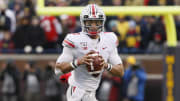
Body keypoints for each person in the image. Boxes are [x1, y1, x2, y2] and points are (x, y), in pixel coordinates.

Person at [55, 4, 124, 101]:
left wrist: (105, 65)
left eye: (97, 22)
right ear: (83, 22)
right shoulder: (74, 39)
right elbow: (58, 69)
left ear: (102, 22)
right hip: (77, 92)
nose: (93, 26)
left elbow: (120, 72)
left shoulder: (110, 39)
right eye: (90, 22)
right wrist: (78, 62)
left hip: (91, 93)